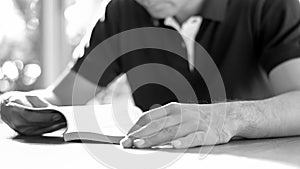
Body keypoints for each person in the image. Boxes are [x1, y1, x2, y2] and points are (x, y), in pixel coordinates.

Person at [1, 0, 300, 149]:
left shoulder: (267, 5)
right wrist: (23, 103)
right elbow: (61, 97)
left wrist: (224, 118)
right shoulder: (123, 11)